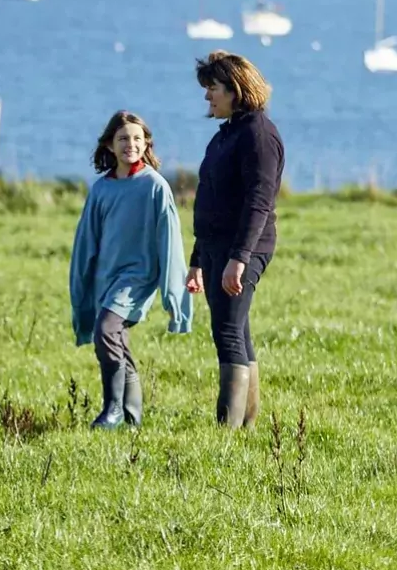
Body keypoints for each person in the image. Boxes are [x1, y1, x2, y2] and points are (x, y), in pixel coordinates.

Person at [69, 110, 192, 429]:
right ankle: (132, 417)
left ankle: (111, 410)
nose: (131, 144)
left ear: (146, 143)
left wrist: (174, 298)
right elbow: (86, 242)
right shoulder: (101, 190)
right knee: (117, 339)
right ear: (110, 144)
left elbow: (170, 243)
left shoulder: (155, 186)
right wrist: (81, 287)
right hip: (105, 279)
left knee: (106, 331)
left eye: (137, 138)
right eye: (123, 139)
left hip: (138, 278)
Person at [187, 51, 284, 429]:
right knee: (236, 329)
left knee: (227, 331)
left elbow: (260, 202)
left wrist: (240, 257)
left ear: (235, 90)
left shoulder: (260, 135)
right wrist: (197, 259)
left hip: (243, 249)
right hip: (215, 247)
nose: (207, 96)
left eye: (212, 88)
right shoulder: (225, 136)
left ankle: (227, 432)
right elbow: (208, 197)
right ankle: (244, 427)